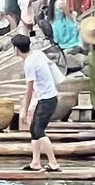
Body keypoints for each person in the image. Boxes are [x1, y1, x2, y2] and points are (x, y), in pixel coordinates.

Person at [15, 32, 61, 172]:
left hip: (47, 99)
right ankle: (35, 162)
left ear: (16, 49)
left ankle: (53, 163)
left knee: (38, 130)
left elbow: (29, 90)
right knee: (34, 130)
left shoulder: (29, 63)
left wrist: (24, 109)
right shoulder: (38, 54)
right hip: (48, 97)